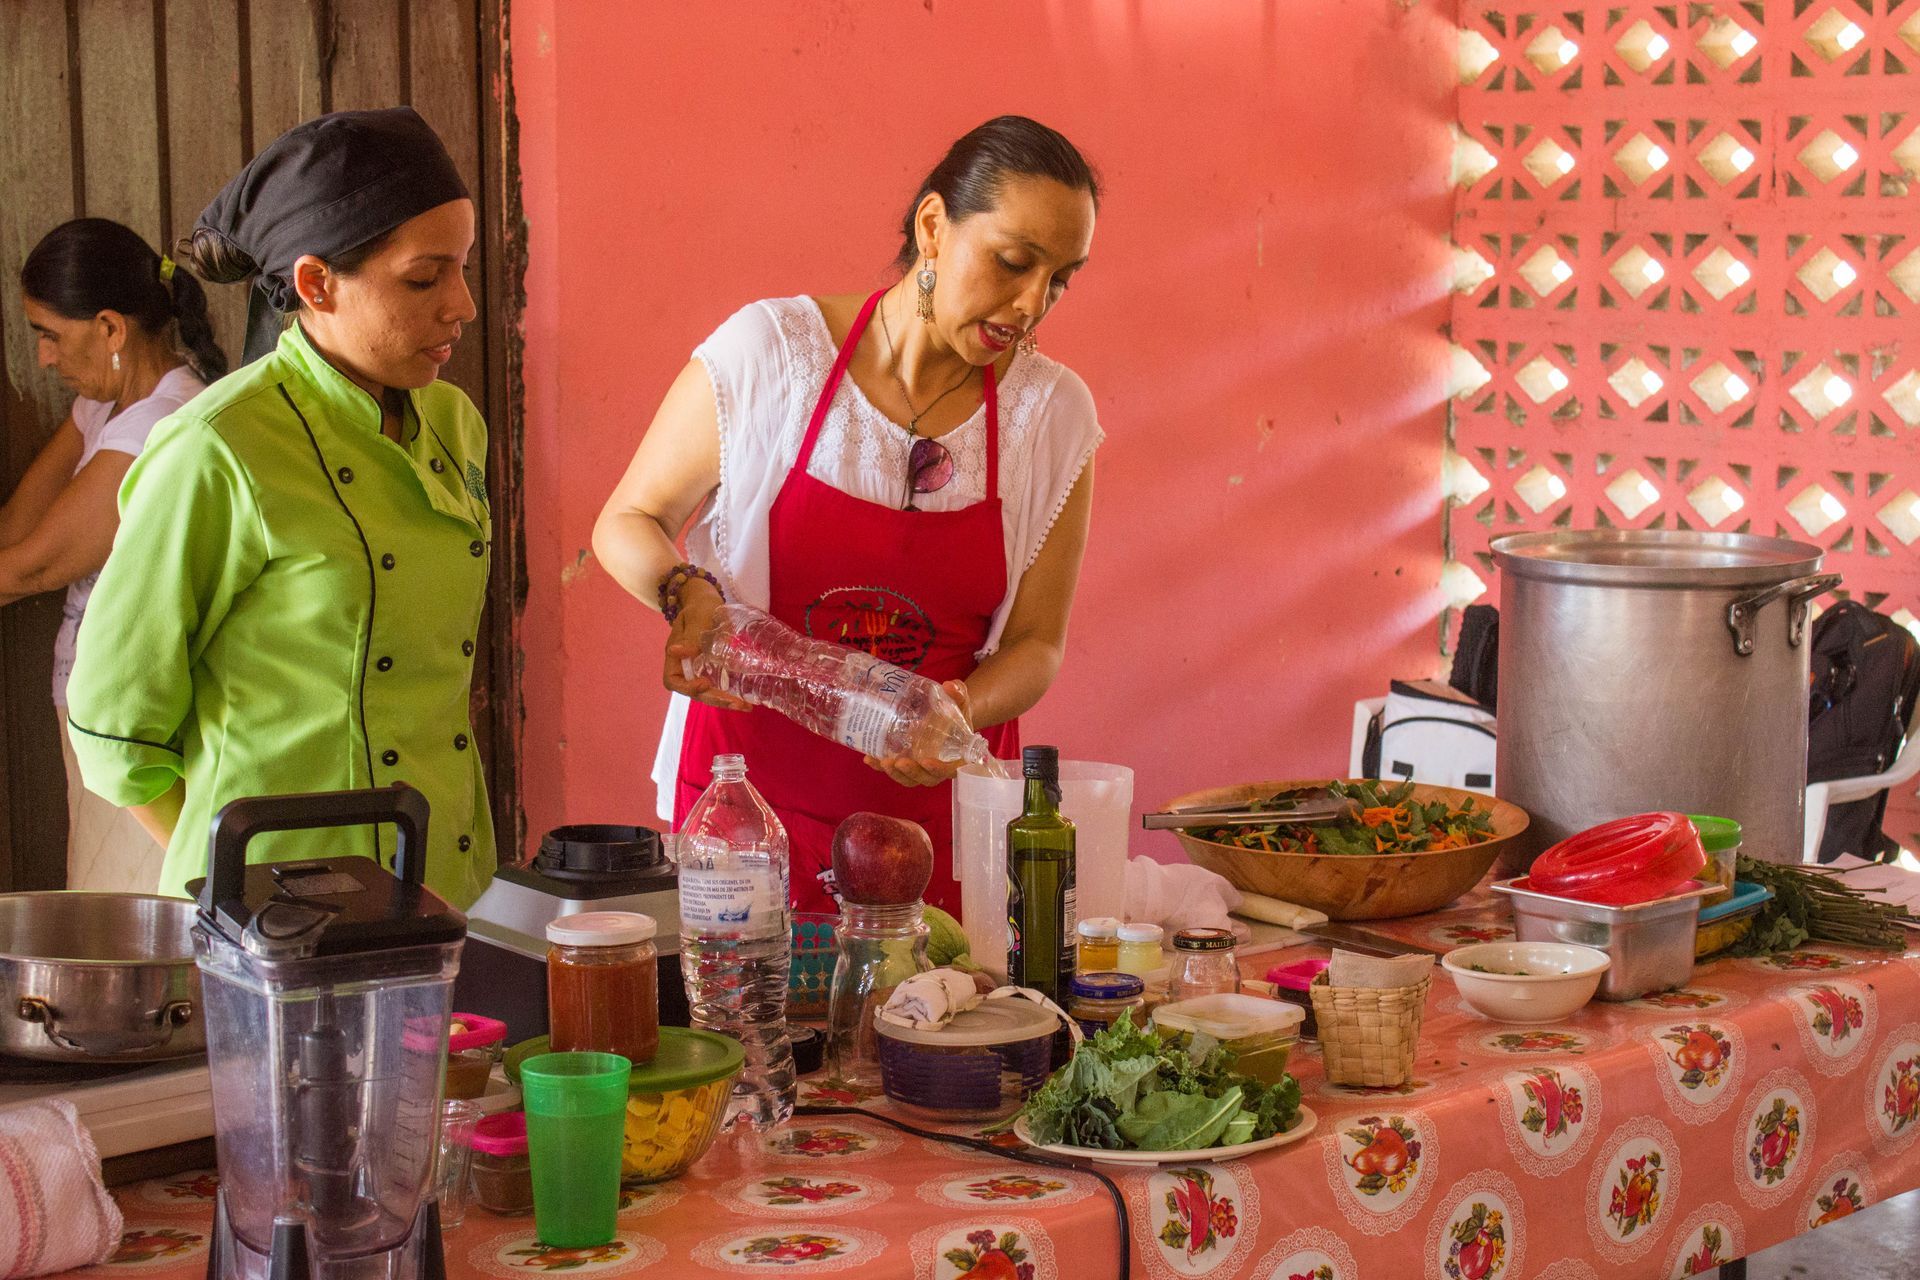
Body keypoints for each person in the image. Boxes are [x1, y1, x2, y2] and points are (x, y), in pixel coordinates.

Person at [595, 116, 1103, 915]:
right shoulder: (772, 355)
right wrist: (685, 595)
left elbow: (1039, 643)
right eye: (1013, 261)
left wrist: (960, 709)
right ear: (934, 227)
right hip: (749, 814)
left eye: (1062, 278)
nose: (1033, 302)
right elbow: (629, 518)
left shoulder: (1052, 416)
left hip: (937, 825)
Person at [64, 107, 497, 907]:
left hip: (442, 890)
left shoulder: (454, 424)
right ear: (315, 283)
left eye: (464, 268)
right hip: (278, 924)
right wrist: (240, 883)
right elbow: (111, 726)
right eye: (424, 278)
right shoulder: (218, 447)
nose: (461, 305)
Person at [3, 218, 224, 891]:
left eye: (50, 334)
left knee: (137, 918)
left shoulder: (161, 424)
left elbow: (32, 567)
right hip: (97, 711)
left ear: (110, 329)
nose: (42, 357)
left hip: (136, 722)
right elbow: (16, 525)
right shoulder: (103, 409)